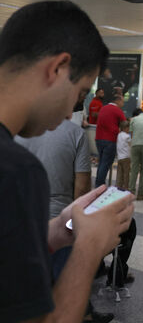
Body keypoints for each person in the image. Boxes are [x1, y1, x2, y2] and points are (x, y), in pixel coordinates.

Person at [0, 0, 135, 323]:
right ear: (58, 68)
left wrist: (54, 232)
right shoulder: (16, 170)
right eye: (80, 93)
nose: (69, 112)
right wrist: (88, 248)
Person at [16, 116, 113, 323]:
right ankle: (84, 314)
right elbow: (82, 187)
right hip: (62, 216)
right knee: (67, 276)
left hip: (22, 219)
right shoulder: (75, 133)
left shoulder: (13, 130)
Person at [95, 93, 126, 187]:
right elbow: (125, 123)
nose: (123, 104)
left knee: (101, 163)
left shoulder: (103, 108)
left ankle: (98, 183)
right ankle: (100, 185)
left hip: (99, 139)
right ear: (117, 101)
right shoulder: (117, 110)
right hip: (110, 139)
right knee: (106, 163)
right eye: (122, 101)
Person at [116, 120, 131, 191]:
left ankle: (118, 186)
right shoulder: (127, 136)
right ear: (125, 128)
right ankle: (126, 187)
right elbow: (130, 145)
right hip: (126, 157)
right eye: (128, 128)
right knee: (126, 174)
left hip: (120, 157)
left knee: (119, 173)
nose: (129, 130)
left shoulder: (119, 135)